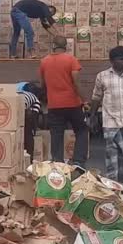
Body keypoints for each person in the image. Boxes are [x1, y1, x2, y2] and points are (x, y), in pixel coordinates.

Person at [88, 46, 123, 186]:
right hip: (110, 123)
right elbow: (96, 97)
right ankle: (113, 185)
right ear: (112, 61)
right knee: (112, 156)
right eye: (121, 59)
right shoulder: (102, 76)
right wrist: (92, 116)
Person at [39, 35, 88, 166]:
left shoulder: (44, 61)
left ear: (53, 45)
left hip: (54, 105)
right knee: (81, 130)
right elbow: (76, 83)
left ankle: (57, 162)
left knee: (56, 133)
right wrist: (85, 100)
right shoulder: (72, 60)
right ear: (66, 46)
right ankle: (78, 161)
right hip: (73, 104)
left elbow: (42, 84)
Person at [19, 82, 43, 158]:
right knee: (28, 135)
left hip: (12, 105)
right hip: (22, 108)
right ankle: (29, 157)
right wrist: (34, 130)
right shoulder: (36, 100)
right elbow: (34, 117)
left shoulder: (20, 92)